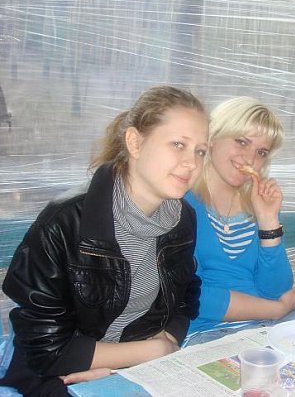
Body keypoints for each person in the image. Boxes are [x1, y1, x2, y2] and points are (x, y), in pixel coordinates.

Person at [0, 86, 209, 396]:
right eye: (179, 144)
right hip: (58, 374)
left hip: (137, 363)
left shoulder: (182, 218)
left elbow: (184, 297)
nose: (192, 162)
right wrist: (152, 352)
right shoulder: (65, 222)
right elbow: (46, 348)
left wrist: (163, 344)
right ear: (135, 142)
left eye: (201, 151)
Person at [185, 96, 295, 335]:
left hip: (266, 326)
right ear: (212, 138)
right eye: (241, 142)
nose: (250, 159)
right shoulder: (182, 203)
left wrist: (268, 222)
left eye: (261, 152)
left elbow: (276, 289)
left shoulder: (257, 205)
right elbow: (193, 296)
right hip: (207, 333)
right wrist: (276, 310)